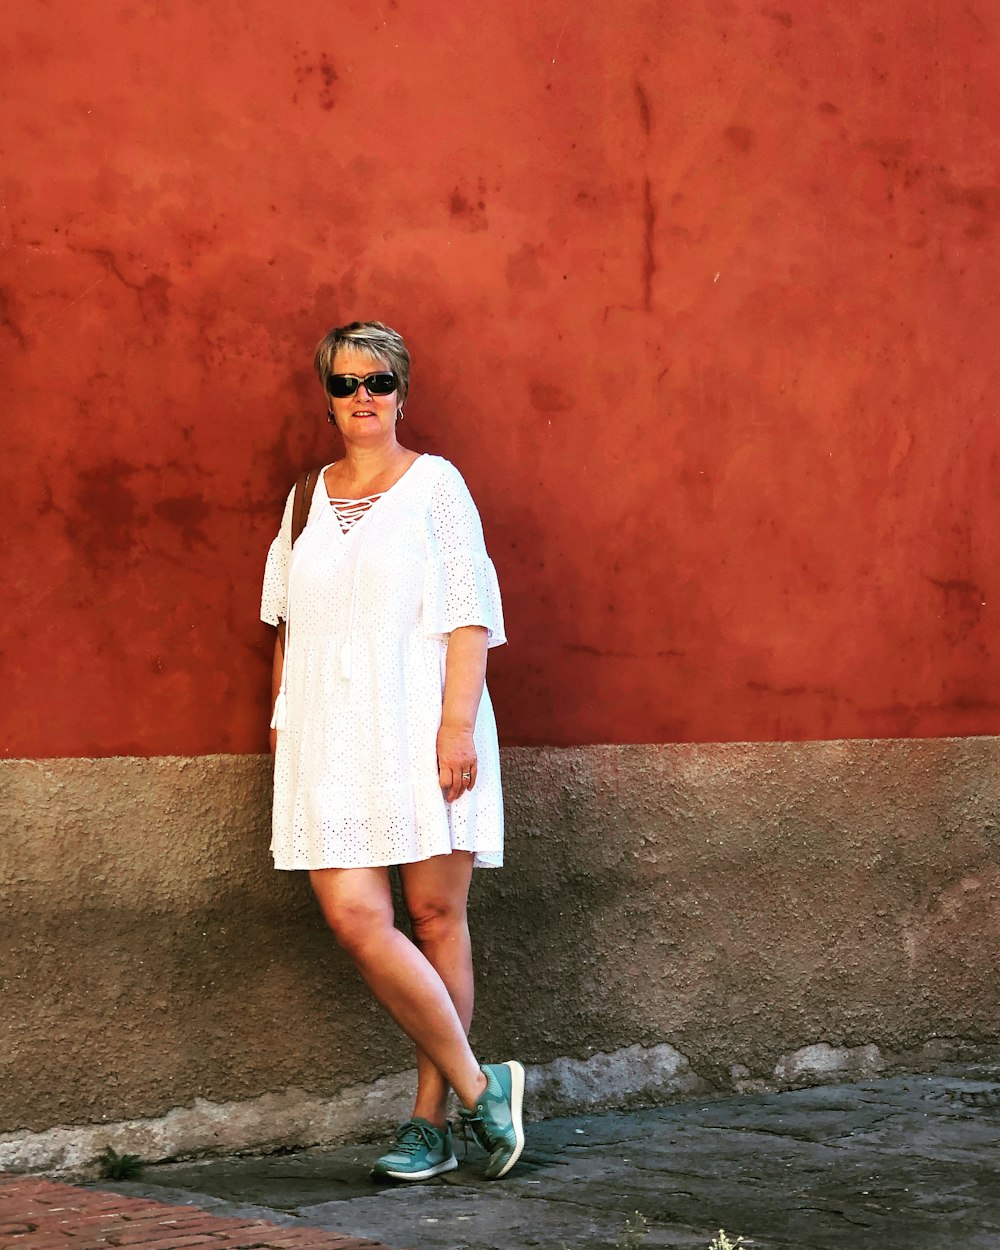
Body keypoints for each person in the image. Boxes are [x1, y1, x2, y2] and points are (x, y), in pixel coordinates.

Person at [260, 320, 523, 1183]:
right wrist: (284, 730)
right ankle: (486, 1088)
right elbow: (287, 633)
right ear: (327, 399)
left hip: (424, 725)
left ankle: (429, 1124)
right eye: (344, 384)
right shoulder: (304, 499)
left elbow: (468, 611)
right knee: (356, 919)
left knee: (437, 915)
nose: (362, 397)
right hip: (330, 740)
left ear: (403, 392)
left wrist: (455, 725)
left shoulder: (437, 486)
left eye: (377, 381)